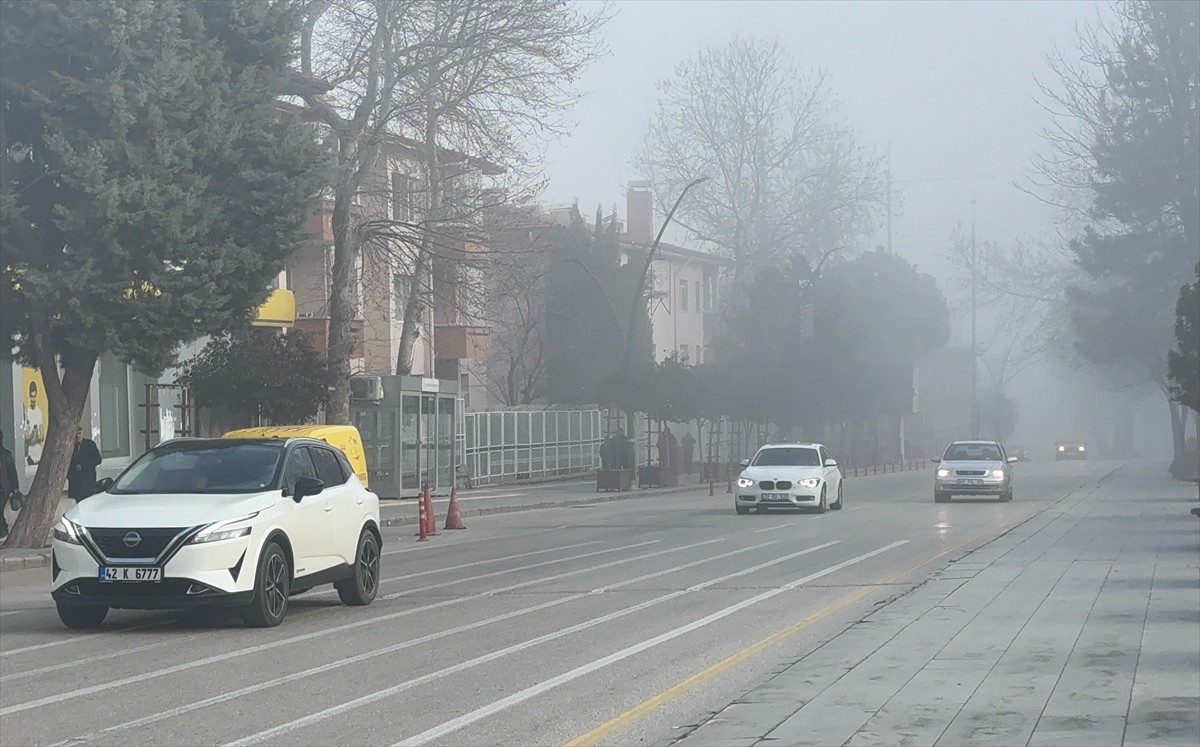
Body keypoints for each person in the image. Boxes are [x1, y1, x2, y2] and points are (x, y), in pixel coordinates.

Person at [68, 426, 102, 503]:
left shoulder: (90, 444)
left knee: (88, 502)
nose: (78, 436)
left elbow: (98, 459)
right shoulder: (70, 446)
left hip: (88, 480)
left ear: (82, 433)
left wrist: (84, 465)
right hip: (76, 481)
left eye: (79, 433)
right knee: (78, 503)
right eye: (75, 434)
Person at [0, 430, 21, 538]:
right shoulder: (6, 454)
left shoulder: (6, 455)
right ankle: (3, 529)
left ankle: (3, 529)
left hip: (3, 488)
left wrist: (15, 487)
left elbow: (12, 472)